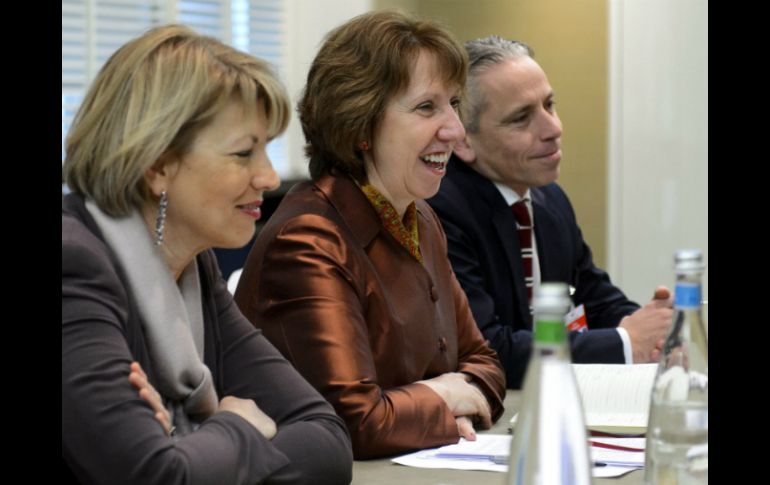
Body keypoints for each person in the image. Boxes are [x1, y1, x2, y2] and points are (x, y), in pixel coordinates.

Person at [62, 25, 353, 484]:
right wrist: (235, 426)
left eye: (267, 150)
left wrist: (190, 446)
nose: (269, 177)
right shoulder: (73, 267)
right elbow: (154, 477)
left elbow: (328, 441)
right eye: (243, 153)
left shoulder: (193, 266)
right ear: (157, 164)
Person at [234, 11, 506, 459]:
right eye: (426, 107)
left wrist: (444, 399)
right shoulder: (310, 240)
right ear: (361, 124)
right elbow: (355, 422)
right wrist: (443, 397)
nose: (455, 130)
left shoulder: (420, 217)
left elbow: (485, 362)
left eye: (454, 104)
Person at [427, 36, 673, 389]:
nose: (553, 129)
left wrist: (649, 329)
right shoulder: (440, 210)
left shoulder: (549, 199)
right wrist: (624, 342)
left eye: (549, 105)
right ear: (463, 140)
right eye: (522, 118)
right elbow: (487, 348)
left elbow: (594, 295)